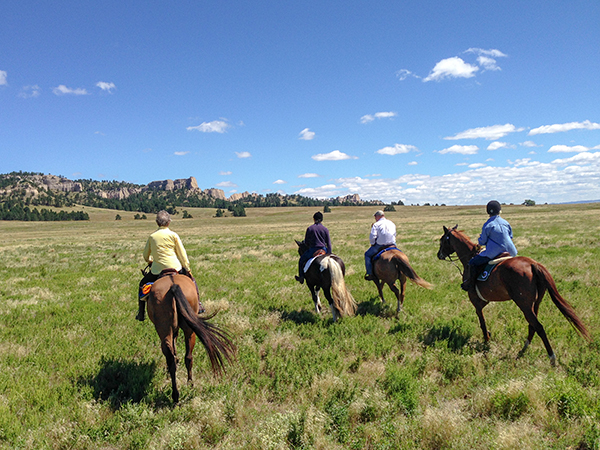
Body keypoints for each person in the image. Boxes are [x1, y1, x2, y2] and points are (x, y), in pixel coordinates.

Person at [137, 210, 195, 321]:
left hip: (157, 271)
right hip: (175, 268)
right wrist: (187, 268)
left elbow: (145, 256)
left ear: (157, 222)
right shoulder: (174, 235)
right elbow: (182, 254)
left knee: (142, 284)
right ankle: (200, 305)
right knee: (192, 282)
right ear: (168, 222)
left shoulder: (152, 237)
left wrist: (150, 261)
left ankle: (141, 313)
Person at [461, 200, 518, 291]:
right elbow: (510, 236)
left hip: (494, 253)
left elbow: (482, 242)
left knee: (473, 263)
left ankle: (471, 285)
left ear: (488, 212)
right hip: (511, 251)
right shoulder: (506, 223)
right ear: (499, 210)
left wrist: (479, 243)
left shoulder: (488, 224)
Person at [295, 211, 332, 284]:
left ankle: (301, 277)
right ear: (321, 220)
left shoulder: (310, 228)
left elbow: (307, 243)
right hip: (323, 249)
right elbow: (329, 243)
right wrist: (329, 253)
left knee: (301, 260)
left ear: (314, 219)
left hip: (313, 250)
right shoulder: (325, 229)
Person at [364, 210, 397, 281]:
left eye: (375, 217)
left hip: (380, 245)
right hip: (392, 244)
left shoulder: (376, 224)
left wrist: (372, 243)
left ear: (378, 216)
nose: (375, 218)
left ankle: (370, 273)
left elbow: (373, 236)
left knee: (367, 255)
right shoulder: (391, 223)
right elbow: (394, 234)